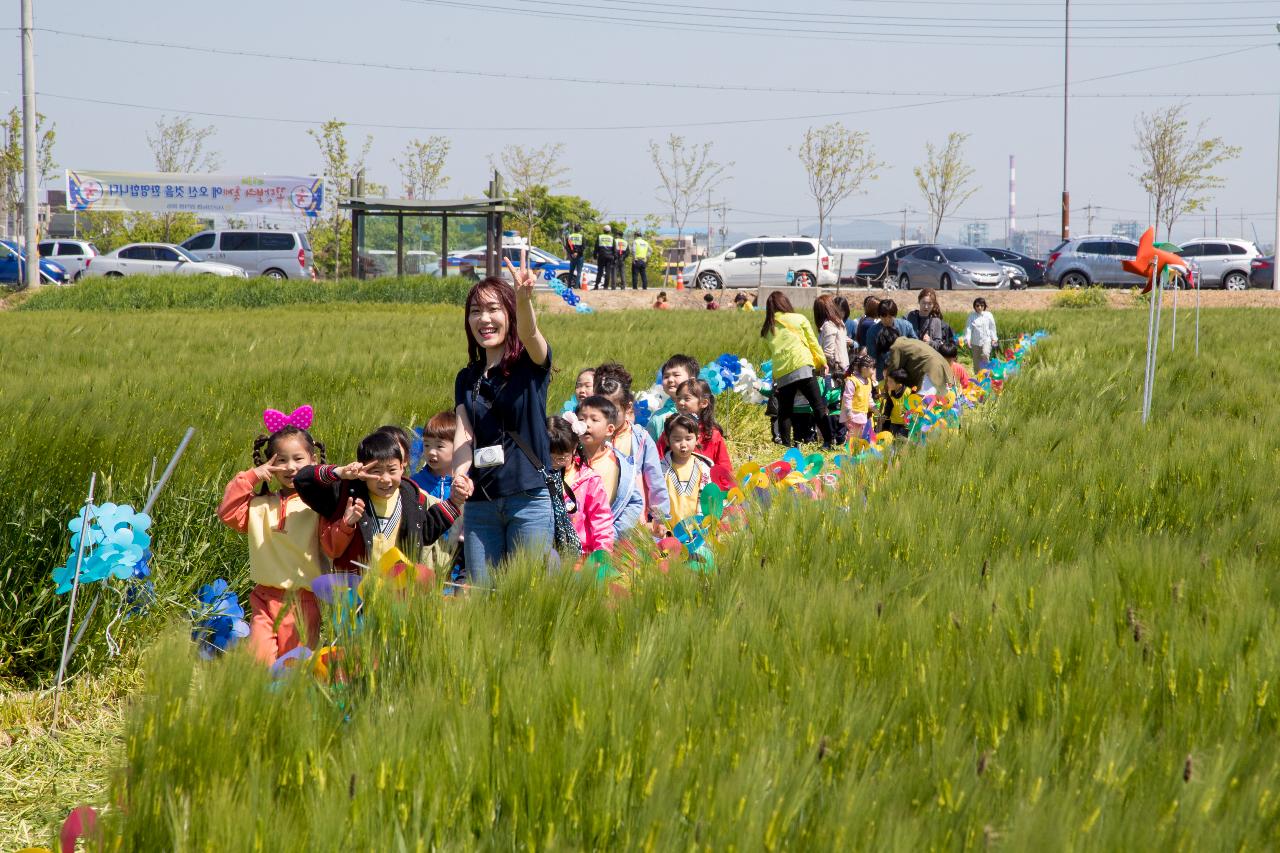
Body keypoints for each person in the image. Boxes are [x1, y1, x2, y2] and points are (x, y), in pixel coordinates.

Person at [452, 261, 555, 584]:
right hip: (481, 505)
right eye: (475, 311)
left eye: (493, 309)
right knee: (485, 598)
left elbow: (530, 333)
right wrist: (458, 474)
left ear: (509, 314)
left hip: (528, 499)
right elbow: (464, 433)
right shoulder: (466, 378)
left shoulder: (530, 365)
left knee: (529, 595)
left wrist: (524, 297)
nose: (484, 319)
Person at [217, 418, 328, 665]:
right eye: (281, 460)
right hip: (264, 598)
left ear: (314, 461)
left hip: (303, 600)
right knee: (259, 662)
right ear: (269, 464)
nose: (290, 467)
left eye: (298, 459)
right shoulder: (258, 505)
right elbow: (226, 512)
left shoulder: (320, 506)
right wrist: (251, 477)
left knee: (294, 665)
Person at [294, 430, 471, 574]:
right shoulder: (347, 493)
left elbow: (424, 532)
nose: (385, 479)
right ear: (362, 470)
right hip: (354, 592)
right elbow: (302, 481)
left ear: (402, 467)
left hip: (399, 591)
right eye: (376, 471)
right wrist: (340, 472)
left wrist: (455, 502)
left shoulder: (411, 495)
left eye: (392, 470)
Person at [593, 362, 670, 529]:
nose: (607, 416)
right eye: (601, 410)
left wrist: (660, 518)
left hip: (632, 521)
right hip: (597, 518)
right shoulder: (590, 436)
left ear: (627, 407)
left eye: (612, 411)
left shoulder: (640, 438)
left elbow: (655, 481)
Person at [760, 291, 834, 449]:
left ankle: (786, 446)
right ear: (785, 303)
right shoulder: (799, 319)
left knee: (785, 412)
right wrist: (823, 361)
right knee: (817, 405)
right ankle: (828, 441)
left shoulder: (767, 330)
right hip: (802, 367)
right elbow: (813, 343)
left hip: (783, 373)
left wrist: (775, 376)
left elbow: (772, 355)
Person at [578, 394, 644, 537]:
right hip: (573, 540)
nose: (586, 424)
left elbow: (634, 503)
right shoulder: (569, 462)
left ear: (609, 429)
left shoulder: (620, 464)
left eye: (594, 419)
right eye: (581, 419)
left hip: (607, 540)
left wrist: (612, 533)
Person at [547, 415, 613, 555]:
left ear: (574, 447)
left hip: (582, 555)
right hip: (546, 554)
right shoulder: (537, 477)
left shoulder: (588, 480)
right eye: (548, 457)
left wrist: (602, 554)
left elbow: (601, 521)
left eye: (561, 458)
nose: (554, 463)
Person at [657, 378, 732, 472]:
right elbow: (657, 460)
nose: (680, 402)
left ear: (703, 403)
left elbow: (724, 468)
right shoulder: (671, 429)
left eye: (686, 398)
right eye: (678, 398)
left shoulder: (712, 434)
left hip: (704, 484)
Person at [661, 414, 716, 527]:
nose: (683, 445)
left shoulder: (704, 468)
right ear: (667, 440)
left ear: (697, 438)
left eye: (688, 439)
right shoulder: (660, 469)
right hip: (669, 533)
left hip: (698, 533)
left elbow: (709, 499)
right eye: (677, 439)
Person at [881, 329, 956, 393]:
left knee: (922, 403)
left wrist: (886, 386)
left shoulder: (896, 346)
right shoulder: (907, 341)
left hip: (930, 370)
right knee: (939, 401)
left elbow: (893, 368)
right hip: (940, 366)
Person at [647, 353, 700, 442]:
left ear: (692, 380)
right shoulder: (658, 417)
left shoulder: (700, 411)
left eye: (676, 375)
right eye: (666, 376)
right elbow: (649, 449)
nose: (670, 380)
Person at [409, 411, 455, 502]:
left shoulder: (464, 485)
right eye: (426, 445)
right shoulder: (415, 483)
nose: (431, 452)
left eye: (439, 446)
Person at [867, 299, 917, 374]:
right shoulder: (872, 331)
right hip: (882, 372)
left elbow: (916, 346)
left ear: (895, 315)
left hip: (904, 371)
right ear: (879, 315)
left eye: (890, 317)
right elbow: (872, 356)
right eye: (883, 317)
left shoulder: (906, 326)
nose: (887, 320)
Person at [840, 354, 876, 444]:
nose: (873, 371)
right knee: (853, 437)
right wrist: (848, 413)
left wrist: (875, 409)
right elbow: (847, 397)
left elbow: (869, 398)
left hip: (862, 414)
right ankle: (849, 455)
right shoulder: (852, 381)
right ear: (864, 368)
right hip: (853, 415)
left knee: (862, 437)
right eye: (872, 368)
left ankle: (858, 454)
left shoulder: (868, 382)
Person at [814, 294, 850, 382]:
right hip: (843, 368)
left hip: (833, 373)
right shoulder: (839, 322)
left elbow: (828, 353)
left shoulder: (829, 325)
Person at [906, 288, 955, 353]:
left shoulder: (936, 321)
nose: (926, 306)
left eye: (929, 304)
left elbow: (939, 345)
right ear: (919, 301)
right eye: (924, 303)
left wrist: (930, 342)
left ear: (933, 304)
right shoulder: (910, 316)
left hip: (928, 357)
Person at [963, 297, 998, 373]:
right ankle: (978, 375)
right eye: (977, 305)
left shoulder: (989, 315)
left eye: (981, 305)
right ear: (974, 307)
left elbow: (992, 328)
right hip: (975, 342)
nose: (979, 307)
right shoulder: (971, 316)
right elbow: (968, 329)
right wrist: (967, 340)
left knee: (985, 354)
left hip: (986, 340)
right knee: (976, 360)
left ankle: (986, 374)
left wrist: (994, 339)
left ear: (984, 306)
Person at [878, 368, 912, 438]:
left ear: (899, 384)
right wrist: (885, 415)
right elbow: (889, 405)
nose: (887, 383)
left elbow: (912, 407)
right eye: (887, 381)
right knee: (894, 441)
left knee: (903, 442)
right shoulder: (890, 392)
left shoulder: (908, 392)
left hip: (905, 424)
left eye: (890, 382)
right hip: (894, 422)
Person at [563, 223, 585, 288]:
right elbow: (583, 247)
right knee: (579, 272)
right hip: (579, 256)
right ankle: (576, 286)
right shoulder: (581, 237)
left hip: (572, 257)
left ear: (574, 229)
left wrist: (572, 253)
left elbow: (567, 247)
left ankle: (569, 286)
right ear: (579, 230)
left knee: (571, 271)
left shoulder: (570, 237)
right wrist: (577, 253)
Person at [593, 225, 615, 290]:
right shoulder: (612, 238)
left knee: (600, 271)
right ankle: (606, 287)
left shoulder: (599, 237)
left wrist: (595, 255)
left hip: (601, 256)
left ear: (603, 230)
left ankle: (596, 285)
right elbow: (614, 249)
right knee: (608, 272)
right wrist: (615, 258)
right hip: (609, 257)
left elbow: (596, 247)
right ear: (610, 231)